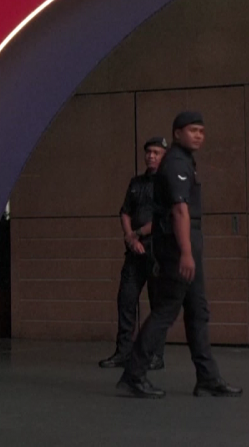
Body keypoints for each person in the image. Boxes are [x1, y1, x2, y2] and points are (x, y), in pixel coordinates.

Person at [117, 111, 242, 399]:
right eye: (192, 130)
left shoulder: (184, 160)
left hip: (188, 241)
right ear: (177, 133)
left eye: (202, 131)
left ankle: (207, 378)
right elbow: (179, 210)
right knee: (166, 310)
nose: (199, 135)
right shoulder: (174, 162)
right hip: (177, 245)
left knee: (197, 310)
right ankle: (134, 374)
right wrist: (186, 251)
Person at [99, 137, 168, 370]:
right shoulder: (136, 182)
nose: (151, 156)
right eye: (148, 152)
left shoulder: (168, 184)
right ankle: (123, 352)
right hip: (134, 252)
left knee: (157, 305)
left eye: (156, 152)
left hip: (157, 251)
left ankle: (155, 355)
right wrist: (130, 237)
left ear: (164, 156)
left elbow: (163, 218)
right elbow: (125, 212)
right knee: (126, 300)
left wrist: (137, 234)